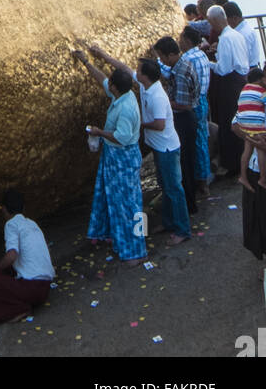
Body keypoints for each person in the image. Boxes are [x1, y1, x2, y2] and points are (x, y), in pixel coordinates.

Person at [90, 46, 190, 244]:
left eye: (139, 68)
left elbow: (158, 125)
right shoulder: (141, 88)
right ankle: (167, 223)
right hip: (155, 147)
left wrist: (138, 125)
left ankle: (180, 230)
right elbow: (124, 69)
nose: (135, 70)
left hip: (166, 148)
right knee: (164, 188)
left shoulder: (156, 97)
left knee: (171, 190)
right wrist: (101, 55)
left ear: (145, 76)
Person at [73, 50, 146, 267]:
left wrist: (99, 132)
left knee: (128, 204)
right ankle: (122, 241)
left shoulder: (125, 108)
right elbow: (102, 80)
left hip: (123, 157)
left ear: (116, 87)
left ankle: (136, 250)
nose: (108, 85)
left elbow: (122, 137)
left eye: (111, 83)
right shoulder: (124, 94)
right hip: (115, 156)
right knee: (117, 201)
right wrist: (86, 62)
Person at [0, 189, 55, 324]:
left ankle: (19, 308)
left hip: (31, 289)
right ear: (23, 208)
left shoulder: (11, 224)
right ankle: (22, 304)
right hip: (45, 289)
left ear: (4, 209)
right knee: (6, 271)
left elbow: (12, 255)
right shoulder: (32, 223)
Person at [154, 35, 200, 214]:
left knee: (184, 165)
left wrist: (164, 101)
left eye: (162, 57)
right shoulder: (180, 64)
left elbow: (184, 104)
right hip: (185, 118)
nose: (161, 60)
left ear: (171, 54)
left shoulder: (181, 72)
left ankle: (188, 205)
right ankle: (189, 203)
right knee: (186, 163)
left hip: (184, 119)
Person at [204, 4, 249, 177]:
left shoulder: (225, 39)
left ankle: (232, 164)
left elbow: (223, 69)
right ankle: (239, 160)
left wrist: (207, 62)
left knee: (229, 123)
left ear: (215, 20)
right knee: (239, 120)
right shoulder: (236, 34)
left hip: (229, 84)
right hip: (240, 81)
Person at [180, 24, 213, 197]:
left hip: (194, 103)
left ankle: (201, 181)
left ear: (186, 40)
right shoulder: (201, 55)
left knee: (197, 141)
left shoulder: (187, 59)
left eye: (180, 38)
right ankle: (204, 177)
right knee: (202, 139)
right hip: (203, 100)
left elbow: (172, 73)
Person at [232, 113, 266, 262]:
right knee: (259, 219)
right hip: (256, 171)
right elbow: (235, 125)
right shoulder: (255, 99)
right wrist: (253, 137)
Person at [233, 67, 266, 194]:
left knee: (249, 150)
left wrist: (249, 137)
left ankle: (243, 176)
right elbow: (233, 126)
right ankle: (263, 178)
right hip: (256, 129)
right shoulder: (262, 93)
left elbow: (235, 125)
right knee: (260, 149)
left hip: (246, 126)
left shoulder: (245, 89)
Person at [225, 2, 262, 71]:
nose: (226, 24)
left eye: (226, 21)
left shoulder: (243, 34)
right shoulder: (244, 29)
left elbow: (243, 60)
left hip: (248, 72)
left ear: (234, 18)